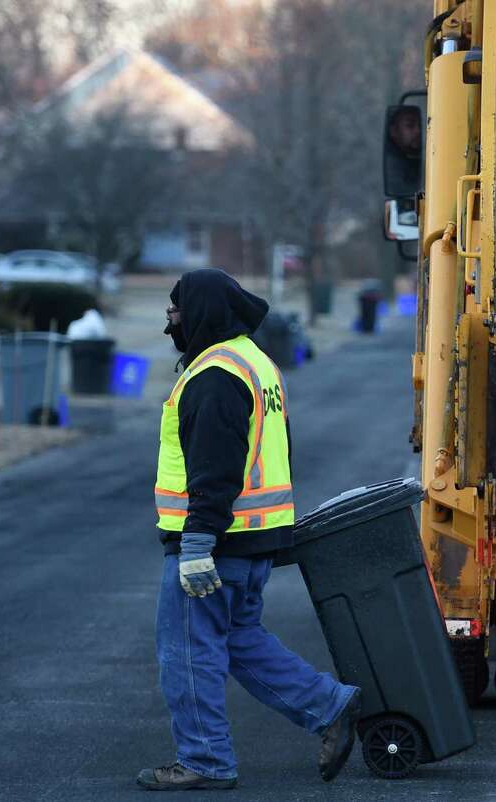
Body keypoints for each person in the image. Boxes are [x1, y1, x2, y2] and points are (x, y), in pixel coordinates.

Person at [139, 269, 361, 791]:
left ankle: (205, 761)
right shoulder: (254, 362)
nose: (170, 319)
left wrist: (197, 543)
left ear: (200, 313)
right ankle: (330, 706)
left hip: (216, 543)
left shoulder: (214, 377)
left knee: (189, 652)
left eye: (175, 310)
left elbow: (217, 469)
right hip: (252, 539)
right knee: (237, 639)